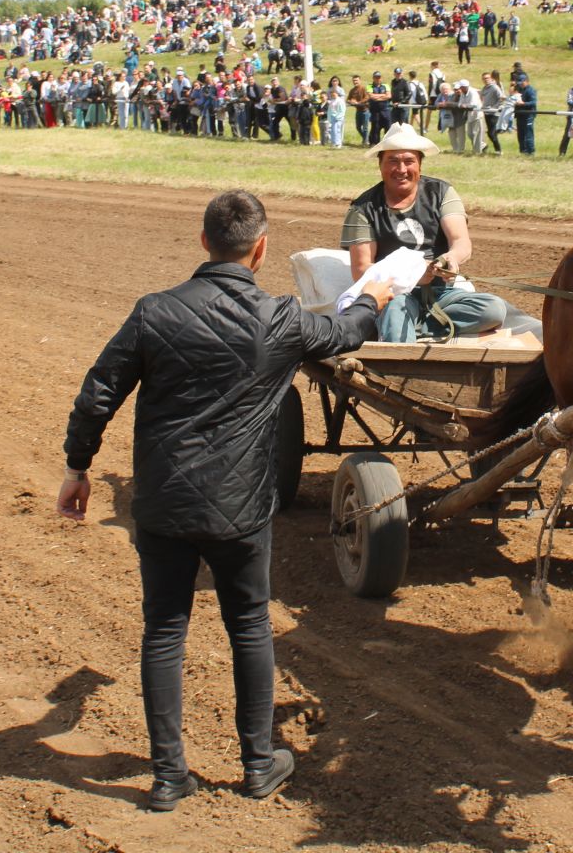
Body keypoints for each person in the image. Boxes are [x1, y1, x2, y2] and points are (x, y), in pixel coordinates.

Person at [60, 191, 392, 811]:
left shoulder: (152, 312)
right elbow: (347, 332)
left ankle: (167, 778)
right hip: (241, 508)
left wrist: (78, 467)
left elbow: (98, 394)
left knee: (163, 629)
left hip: (163, 503)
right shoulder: (283, 318)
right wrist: (375, 296)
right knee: (248, 626)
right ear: (260, 249)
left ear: (203, 240)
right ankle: (259, 765)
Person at [343, 124, 509, 342]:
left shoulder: (441, 192)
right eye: (393, 160)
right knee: (396, 312)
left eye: (409, 161)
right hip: (394, 294)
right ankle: (399, 333)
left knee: (493, 309)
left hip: (442, 293)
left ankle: (411, 327)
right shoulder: (363, 208)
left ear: (419, 165)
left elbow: (461, 242)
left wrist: (451, 259)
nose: (401, 169)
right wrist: (412, 277)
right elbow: (362, 269)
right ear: (380, 165)